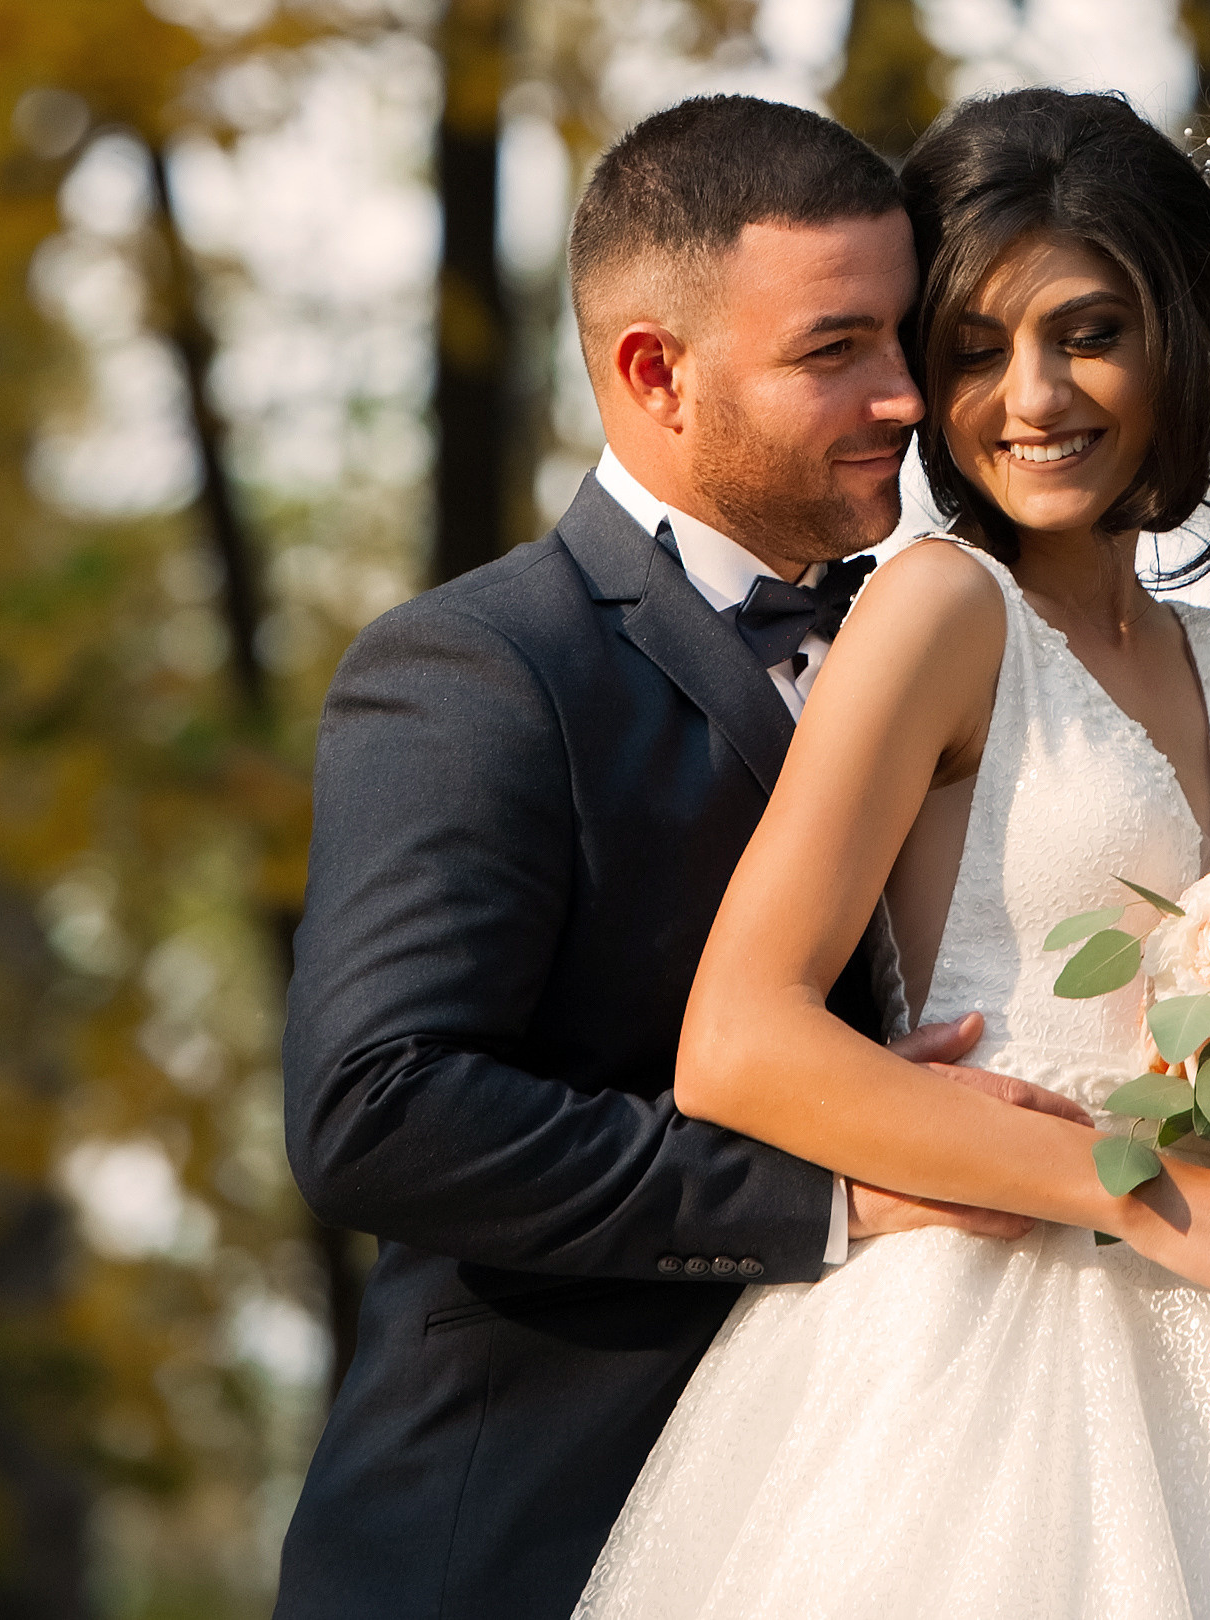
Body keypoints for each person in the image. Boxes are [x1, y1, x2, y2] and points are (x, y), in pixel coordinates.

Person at [577, 88, 1210, 1620]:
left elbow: (1201, 1077)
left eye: (1090, 333)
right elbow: (738, 1041)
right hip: (969, 1366)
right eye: (977, 348)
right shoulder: (938, 613)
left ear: (1179, 340)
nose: (1034, 395)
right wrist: (1166, 1198)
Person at [276, 93, 1100, 1620]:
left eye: (905, 336)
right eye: (834, 349)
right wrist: (837, 1181)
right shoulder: (478, 668)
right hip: (533, 1537)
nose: (907, 397)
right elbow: (379, 1113)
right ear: (654, 373)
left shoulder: (965, 648)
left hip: (904, 1511)